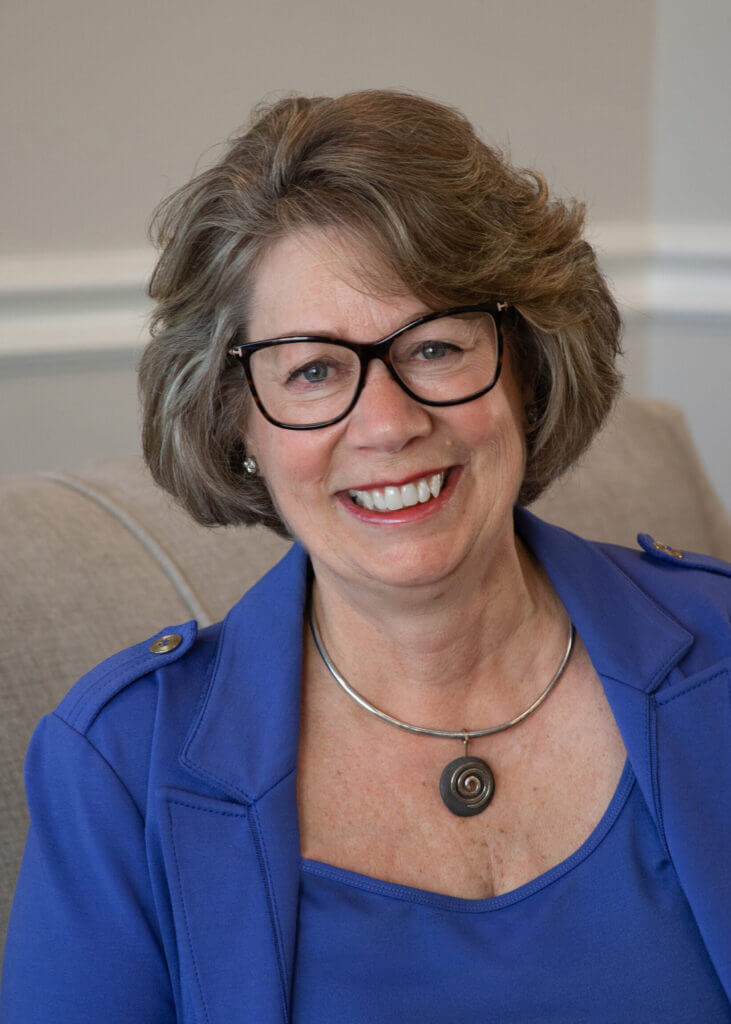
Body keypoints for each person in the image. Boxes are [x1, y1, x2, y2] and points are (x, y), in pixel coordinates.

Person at [1, 89, 729, 1023]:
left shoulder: (717, 654)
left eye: (433, 347)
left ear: (528, 364)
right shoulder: (118, 769)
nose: (386, 424)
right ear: (236, 421)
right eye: (312, 370)